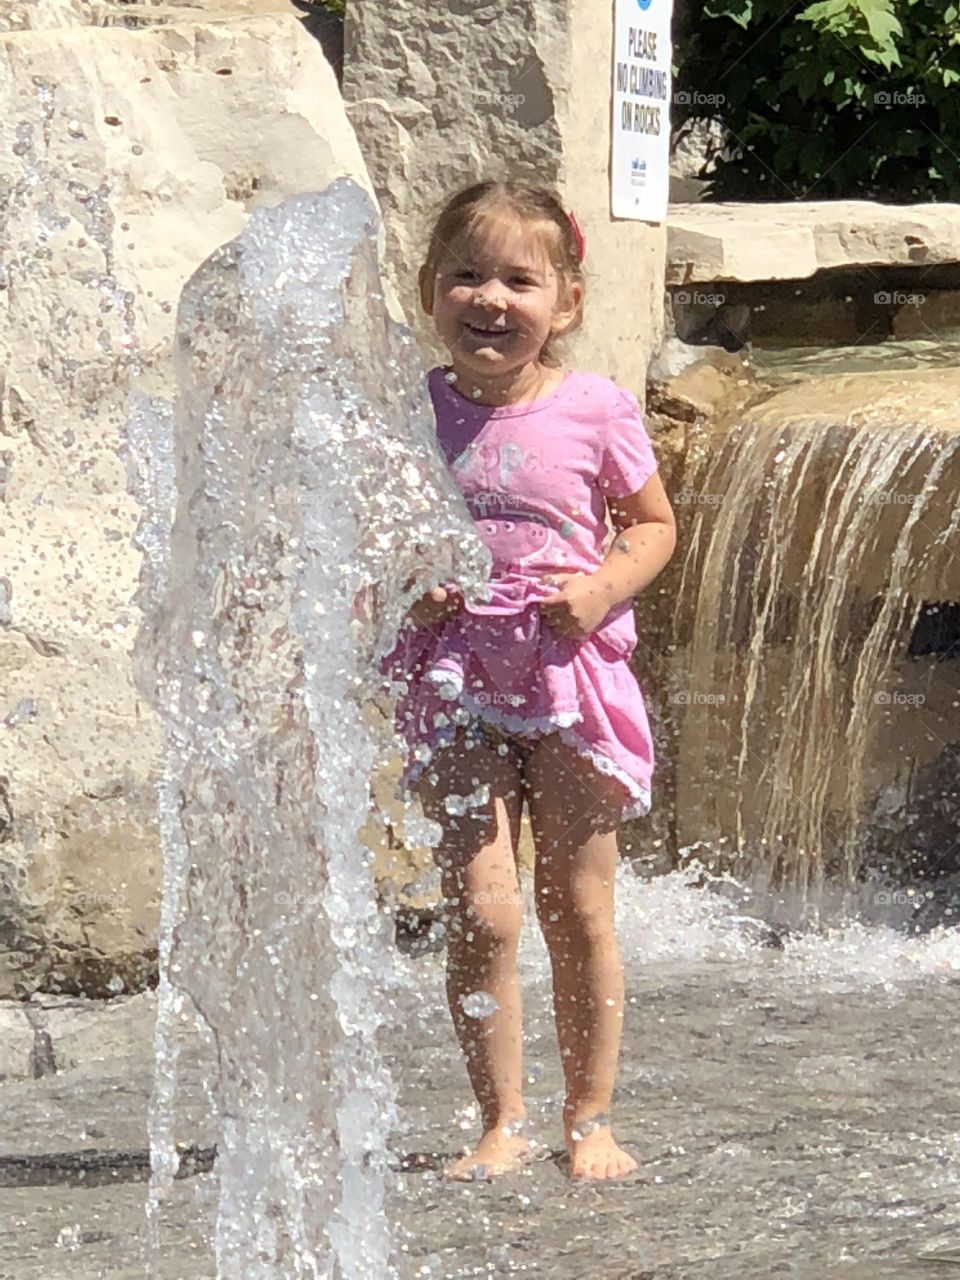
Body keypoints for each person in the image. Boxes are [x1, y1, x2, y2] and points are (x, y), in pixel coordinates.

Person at [381, 179, 676, 1182]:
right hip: (462, 679)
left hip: (568, 680)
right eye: (467, 275)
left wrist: (600, 590)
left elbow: (654, 523)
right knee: (483, 906)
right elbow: (380, 533)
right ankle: (501, 1118)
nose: (491, 298)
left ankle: (588, 1116)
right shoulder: (413, 410)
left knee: (578, 905)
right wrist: (406, 582)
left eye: (519, 278)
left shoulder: (594, 407)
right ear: (430, 290)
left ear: (567, 302)